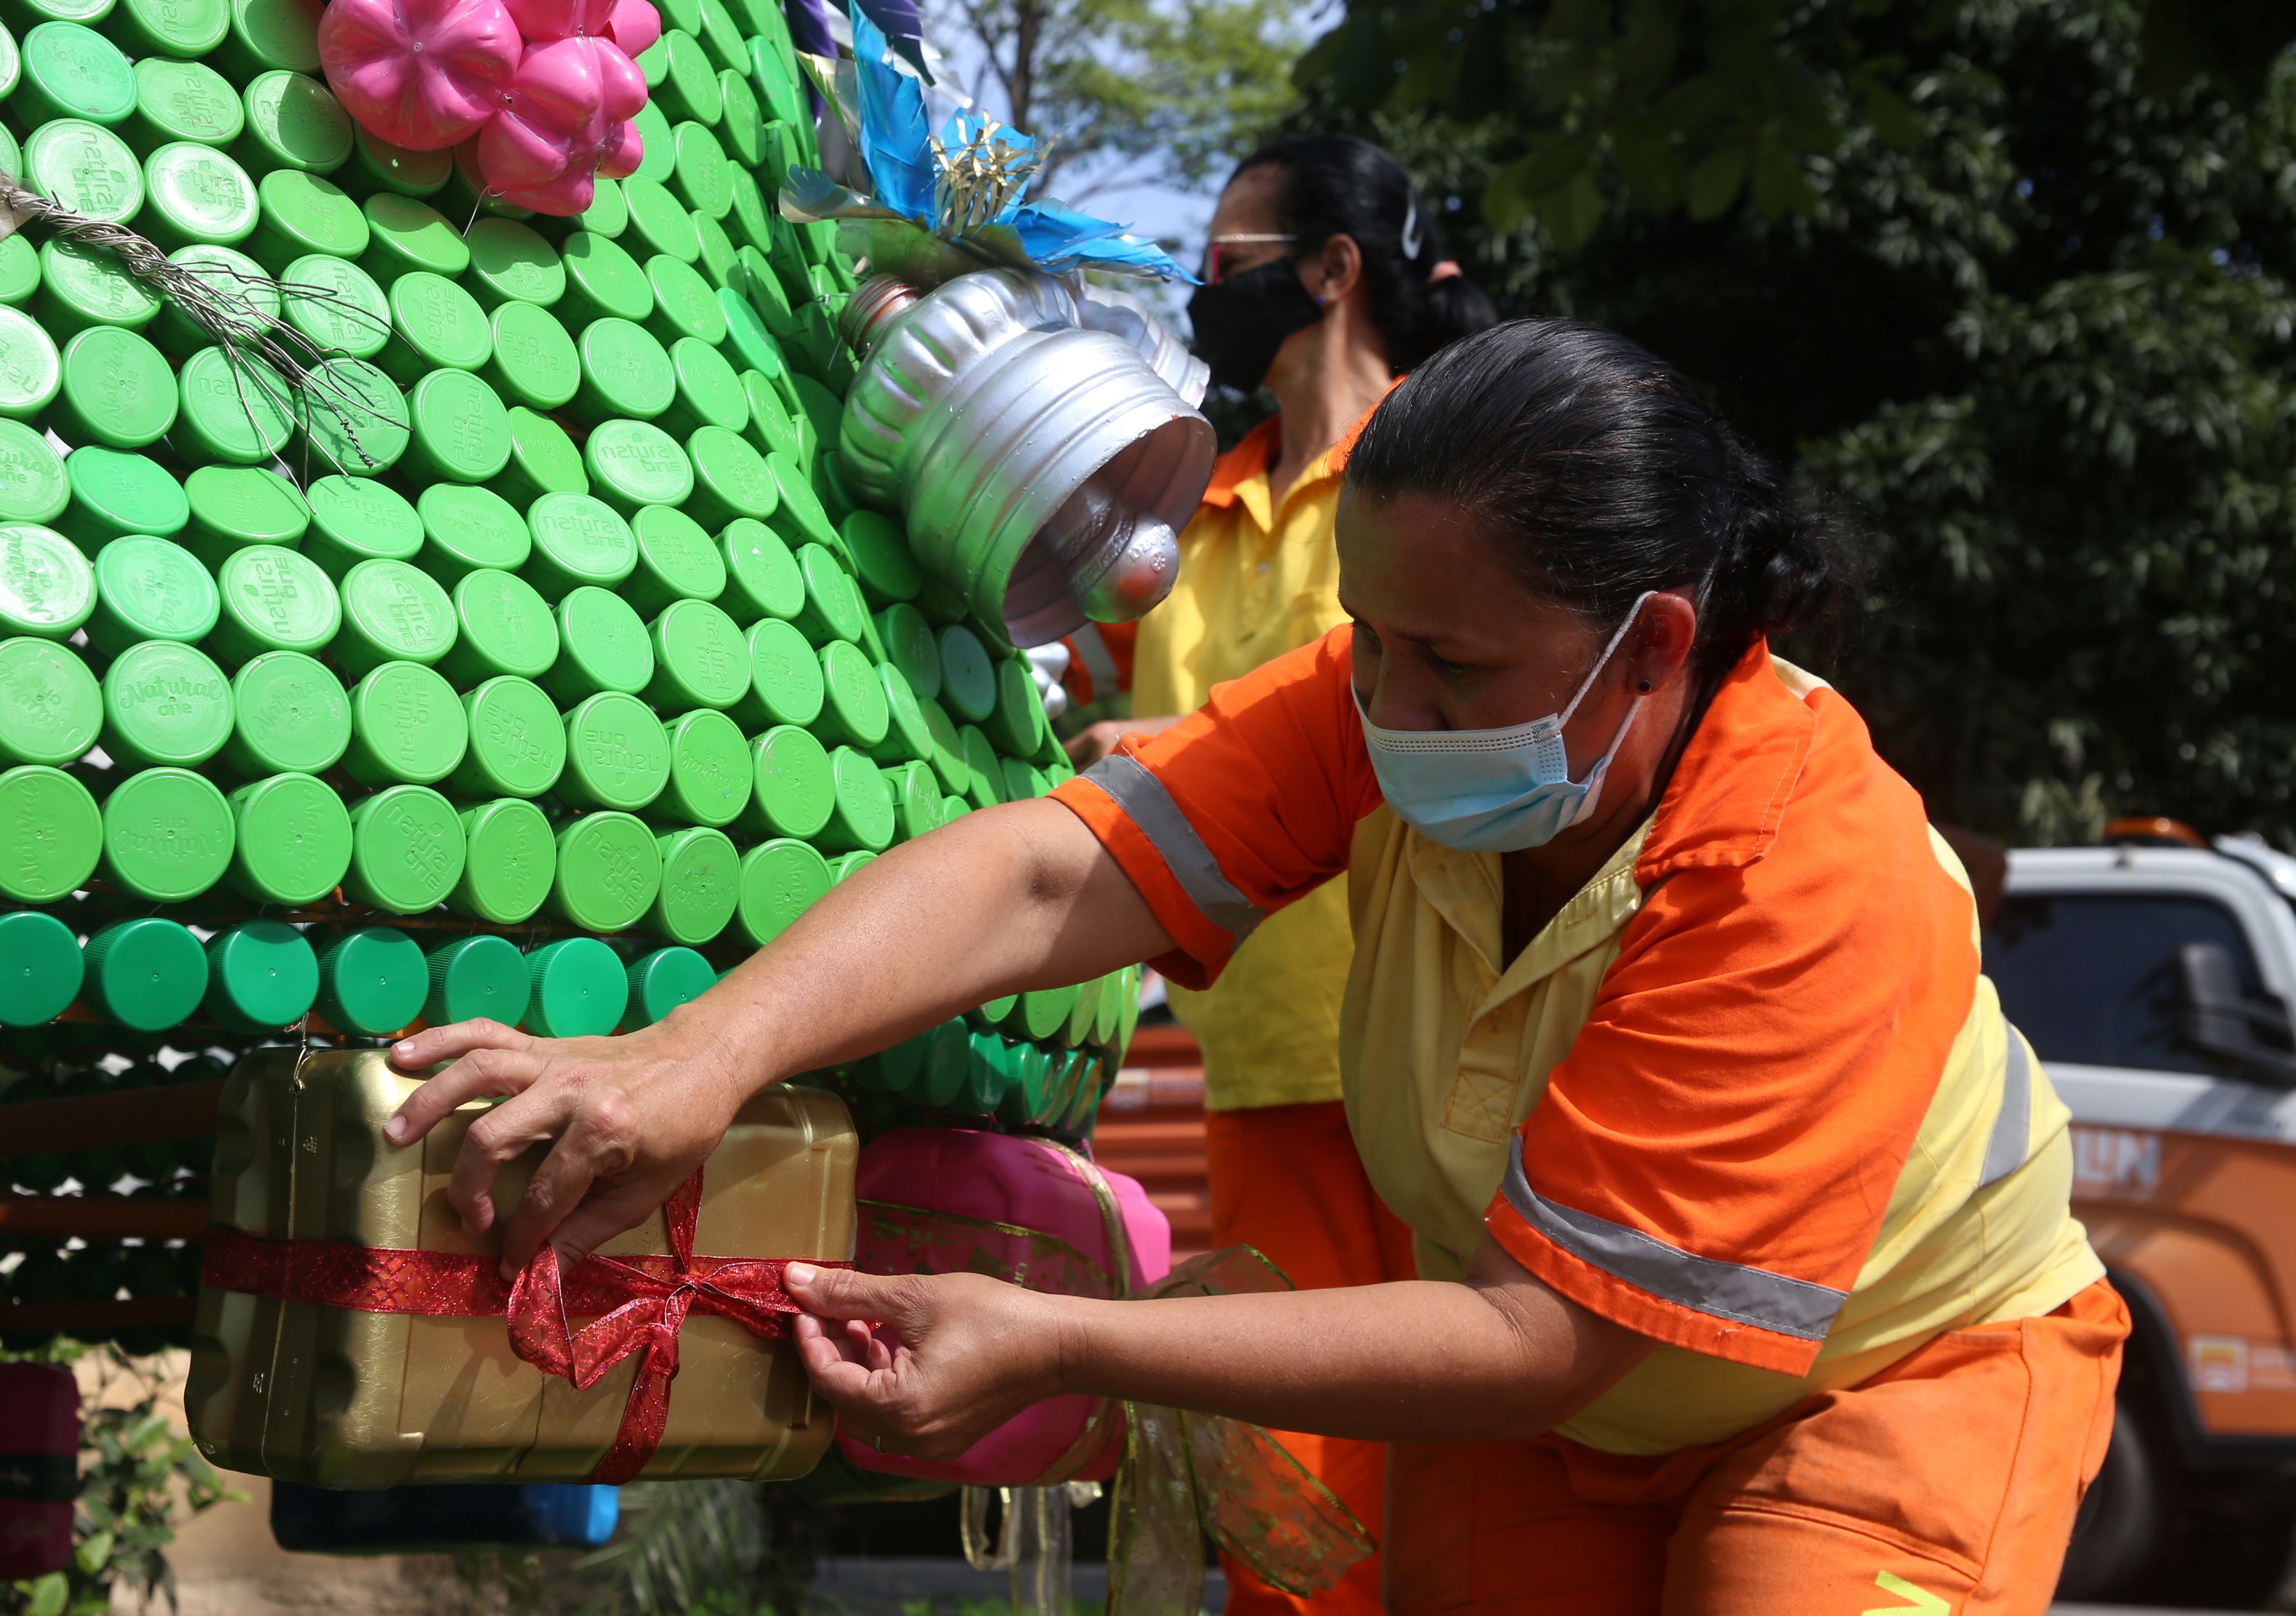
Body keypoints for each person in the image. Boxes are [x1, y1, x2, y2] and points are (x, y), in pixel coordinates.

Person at [383, 320, 2125, 1614]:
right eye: (1367, 638)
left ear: (1650, 646)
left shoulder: (1804, 873)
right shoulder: (1397, 696)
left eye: (1444, 661)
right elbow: (1058, 865)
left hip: (1887, 1378)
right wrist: (703, 1054)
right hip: (1560, 1395)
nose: (1382, 704)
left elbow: (1541, 1335)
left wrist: (1068, 1341)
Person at [1060, 132, 1495, 1616]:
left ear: (1332, 271)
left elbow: (1422, 704)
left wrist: (1181, 739)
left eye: (1229, 256)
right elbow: (1083, 667)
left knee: (1485, 1496)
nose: (1202, 284)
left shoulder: (1442, 478)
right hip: (1264, 1060)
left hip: (1450, 1055)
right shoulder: (1202, 504)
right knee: (1292, 1510)